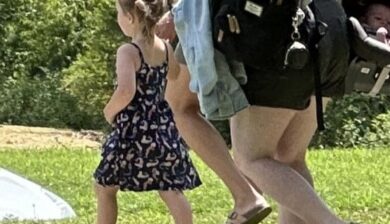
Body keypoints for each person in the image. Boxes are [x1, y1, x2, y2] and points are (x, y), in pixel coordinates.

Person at [159, 0, 383, 223]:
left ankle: (325, 220)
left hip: (282, 38)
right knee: (290, 159)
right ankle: (246, 197)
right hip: (332, 34)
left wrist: (180, 8)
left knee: (251, 158)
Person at [93, 1, 202, 223]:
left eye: (118, 13)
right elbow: (173, 74)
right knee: (169, 187)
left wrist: (108, 111)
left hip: (131, 131)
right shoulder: (165, 48)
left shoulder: (128, 51)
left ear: (131, 17)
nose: (118, 19)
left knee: (104, 186)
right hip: (161, 128)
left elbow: (125, 91)